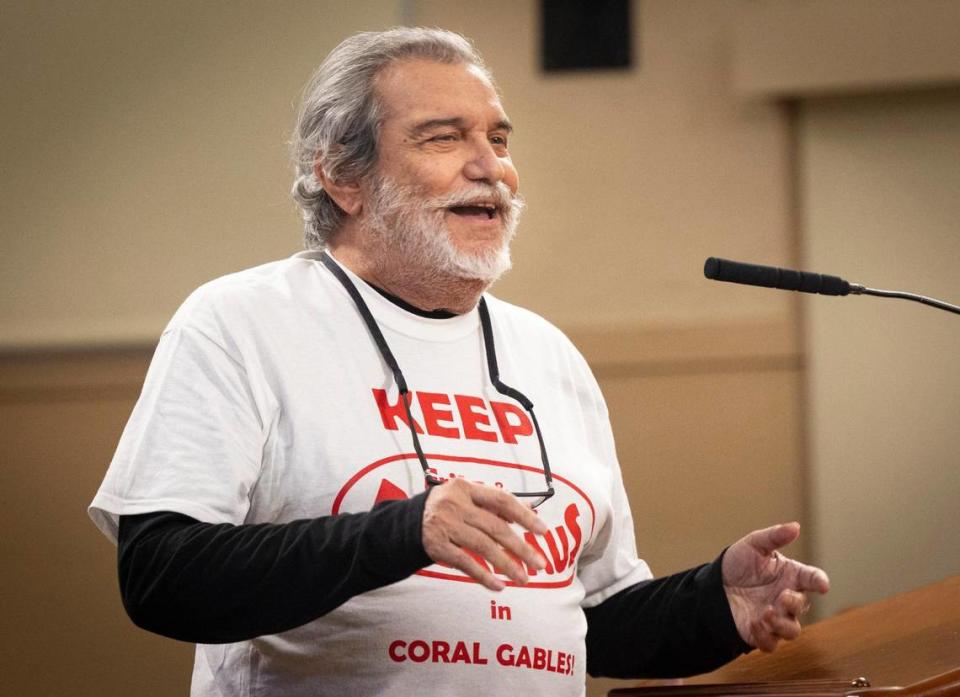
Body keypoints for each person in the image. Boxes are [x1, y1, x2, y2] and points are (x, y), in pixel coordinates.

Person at [89, 27, 829, 697]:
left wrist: (715, 605)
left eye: (500, 140)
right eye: (445, 139)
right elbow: (162, 575)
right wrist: (401, 531)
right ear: (343, 177)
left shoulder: (550, 356)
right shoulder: (243, 323)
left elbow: (590, 622)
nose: (493, 168)